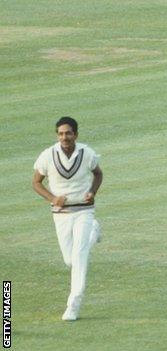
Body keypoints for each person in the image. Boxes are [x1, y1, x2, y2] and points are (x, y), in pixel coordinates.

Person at [32, 117, 103, 321]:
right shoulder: (47, 156)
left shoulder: (86, 153)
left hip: (84, 210)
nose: (65, 137)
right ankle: (94, 233)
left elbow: (98, 174)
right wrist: (53, 198)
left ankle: (73, 304)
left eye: (69, 133)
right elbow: (36, 182)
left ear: (76, 135)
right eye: (61, 134)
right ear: (57, 135)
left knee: (79, 255)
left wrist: (92, 191)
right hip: (61, 214)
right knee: (70, 260)